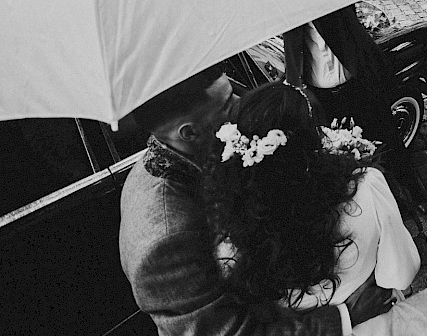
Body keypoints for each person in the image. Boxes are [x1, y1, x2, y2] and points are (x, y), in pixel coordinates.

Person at [119, 65, 382, 334]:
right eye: (225, 105)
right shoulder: (165, 241)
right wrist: (344, 318)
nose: (239, 103)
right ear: (190, 133)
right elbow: (230, 331)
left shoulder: (199, 155)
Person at [203, 81, 420, 330]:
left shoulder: (227, 234)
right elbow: (401, 273)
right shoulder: (365, 186)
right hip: (374, 322)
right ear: (311, 143)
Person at [283, 4, 427, 214]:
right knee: (345, 153)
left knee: (387, 136)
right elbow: (292, 56)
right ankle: (377, 202)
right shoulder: (288, 14)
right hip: (323, 96)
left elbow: (353, 32)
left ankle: (414, 190)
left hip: (356, 85)